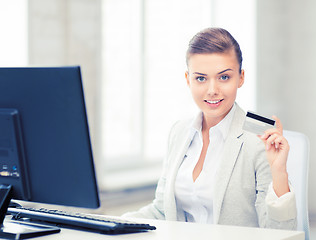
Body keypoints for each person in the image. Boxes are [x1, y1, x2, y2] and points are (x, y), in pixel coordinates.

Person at [123, 27, 297, 229]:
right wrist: (113, 223)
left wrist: (279, 173)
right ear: (188, 80)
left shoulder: (259, 137)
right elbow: (162, 211)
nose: (212, 90)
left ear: (240, 77)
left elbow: (279, 233)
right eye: (201, 78)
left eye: (224, 77)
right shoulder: (179, 132)